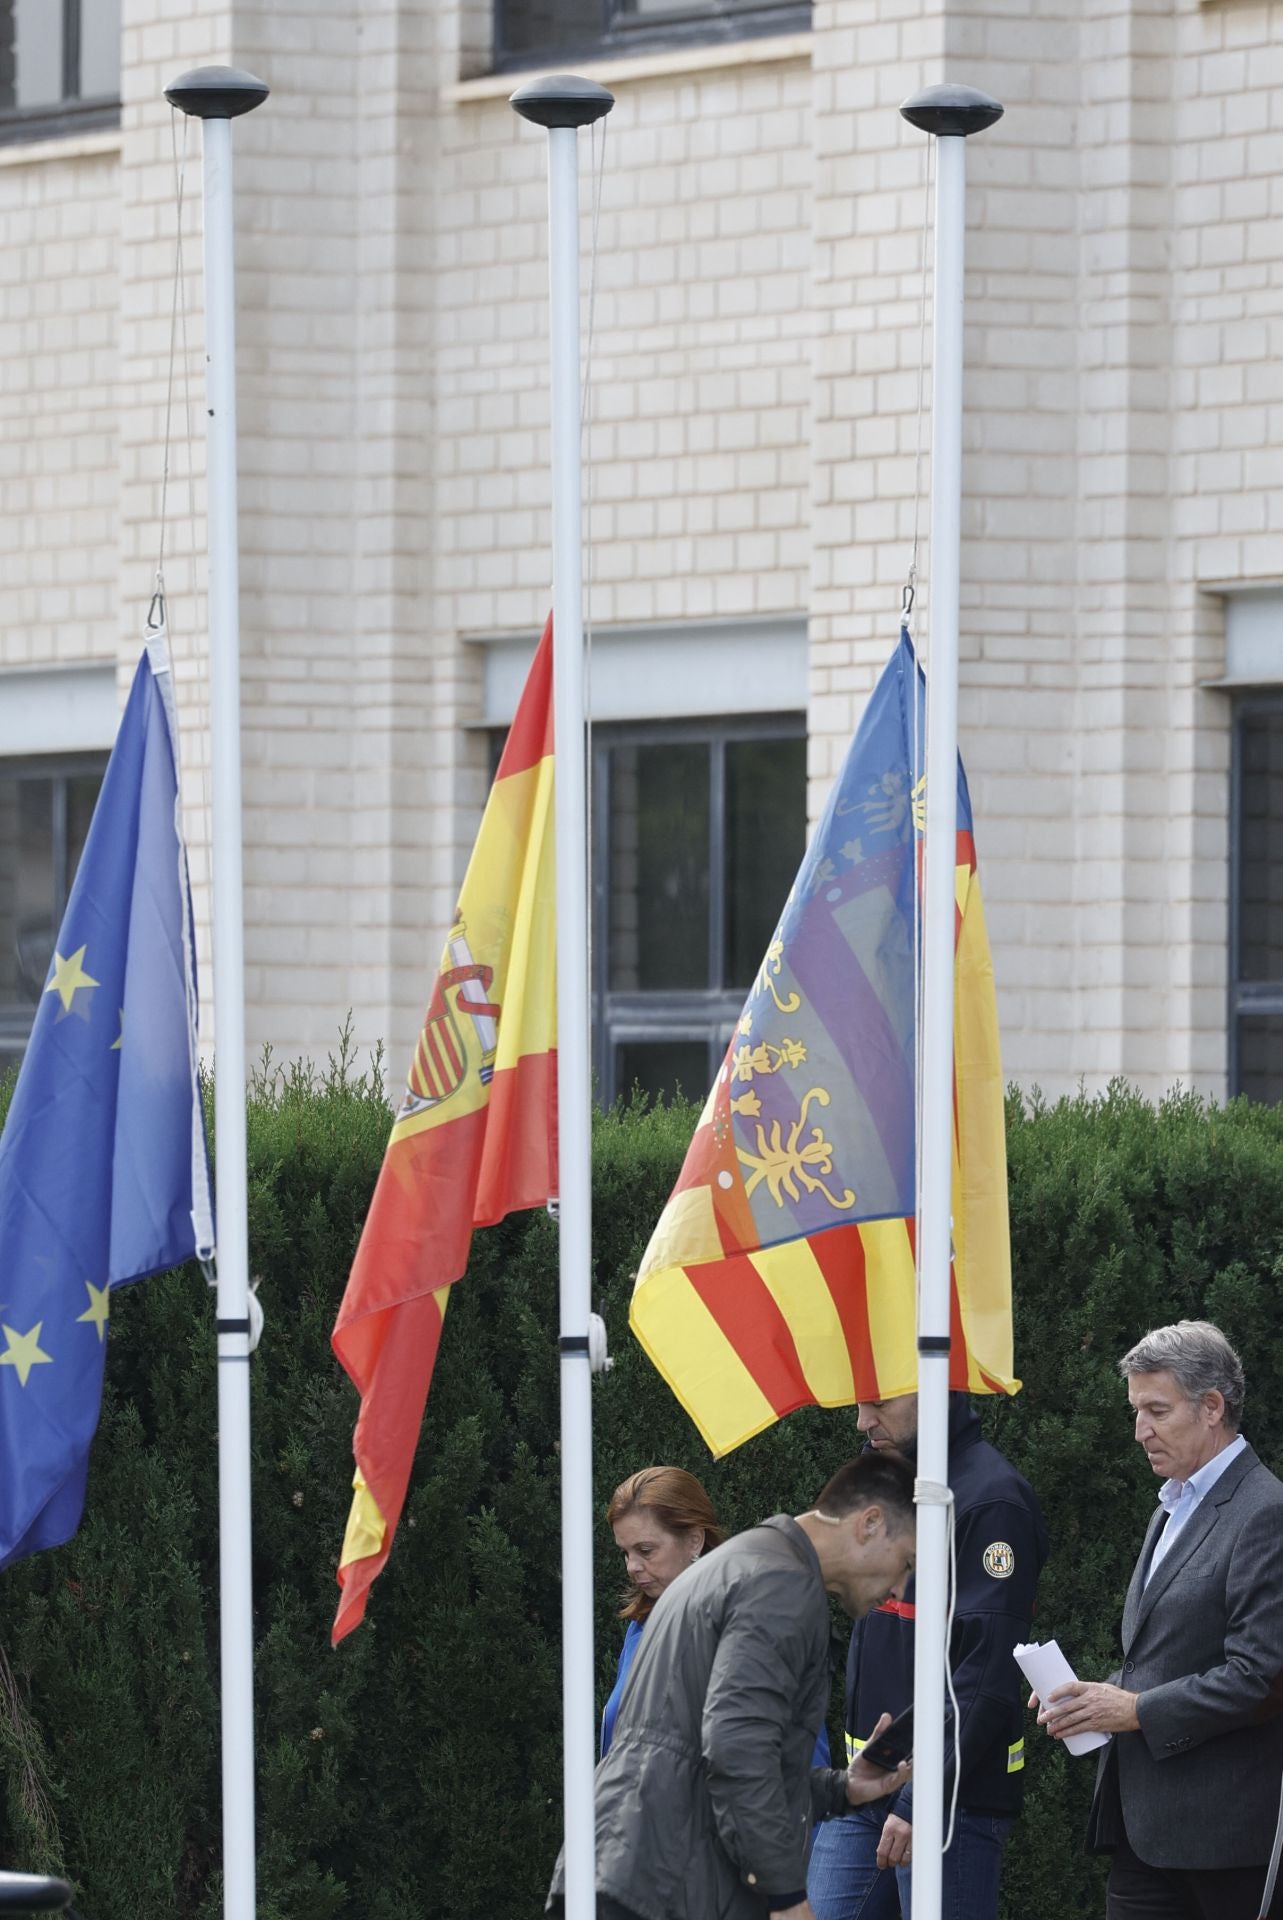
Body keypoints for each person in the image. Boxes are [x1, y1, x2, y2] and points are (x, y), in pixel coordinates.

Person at [546, 1449, 920, 1920]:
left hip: (632, 1876)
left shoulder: (746, 1564)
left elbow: (708, 1762)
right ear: (869, 1523)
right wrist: (786, 1896)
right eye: (907, 1561)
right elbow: (736, 1752)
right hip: (661, 1888)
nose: (902, 1588)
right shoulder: (780, 1584)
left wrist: (842, 1789)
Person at [1037, 1319, 1283, 1919]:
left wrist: (1136, 1710)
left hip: (1226, 1843)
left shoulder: (1265, 1512)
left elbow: (1262, 1676)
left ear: (1212, 1408)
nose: (1140, 1430)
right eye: (1135, 1410)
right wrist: (1091, 1699)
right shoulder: (1171, 1506)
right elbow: (1163, 1654)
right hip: (1143, 1832)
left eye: (1156, 1410)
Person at [808, 1391, 1047, 1920]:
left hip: (950, 1803)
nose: (861, 1421)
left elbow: (983, 1674)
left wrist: (922, 1797)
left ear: (934, 1389)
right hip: (867, 1786)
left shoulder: (991, 1500)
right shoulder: (887, 1486)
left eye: (879, 1405)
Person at [601, 1467, 724, 1757]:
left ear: (695, 1540)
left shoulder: (747, 1629)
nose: (632, 1566)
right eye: (625, 1553)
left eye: (645, 1550)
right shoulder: (641, 1626)